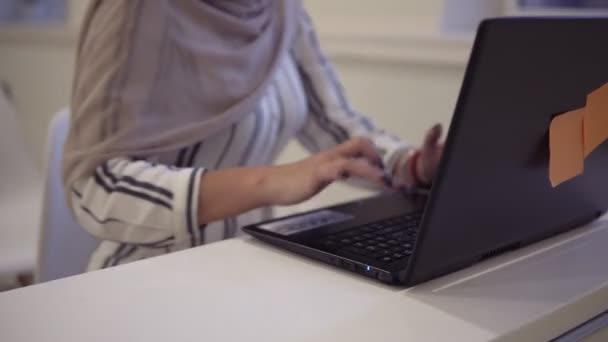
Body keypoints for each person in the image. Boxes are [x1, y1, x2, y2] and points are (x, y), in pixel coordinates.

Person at [63, 0, 443, 271]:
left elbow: (335, 123)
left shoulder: (280, 10)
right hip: (149, 277)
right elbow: (93, 186)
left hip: (245, 266)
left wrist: (412, 166)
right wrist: (268, 182)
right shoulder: (136, 12)